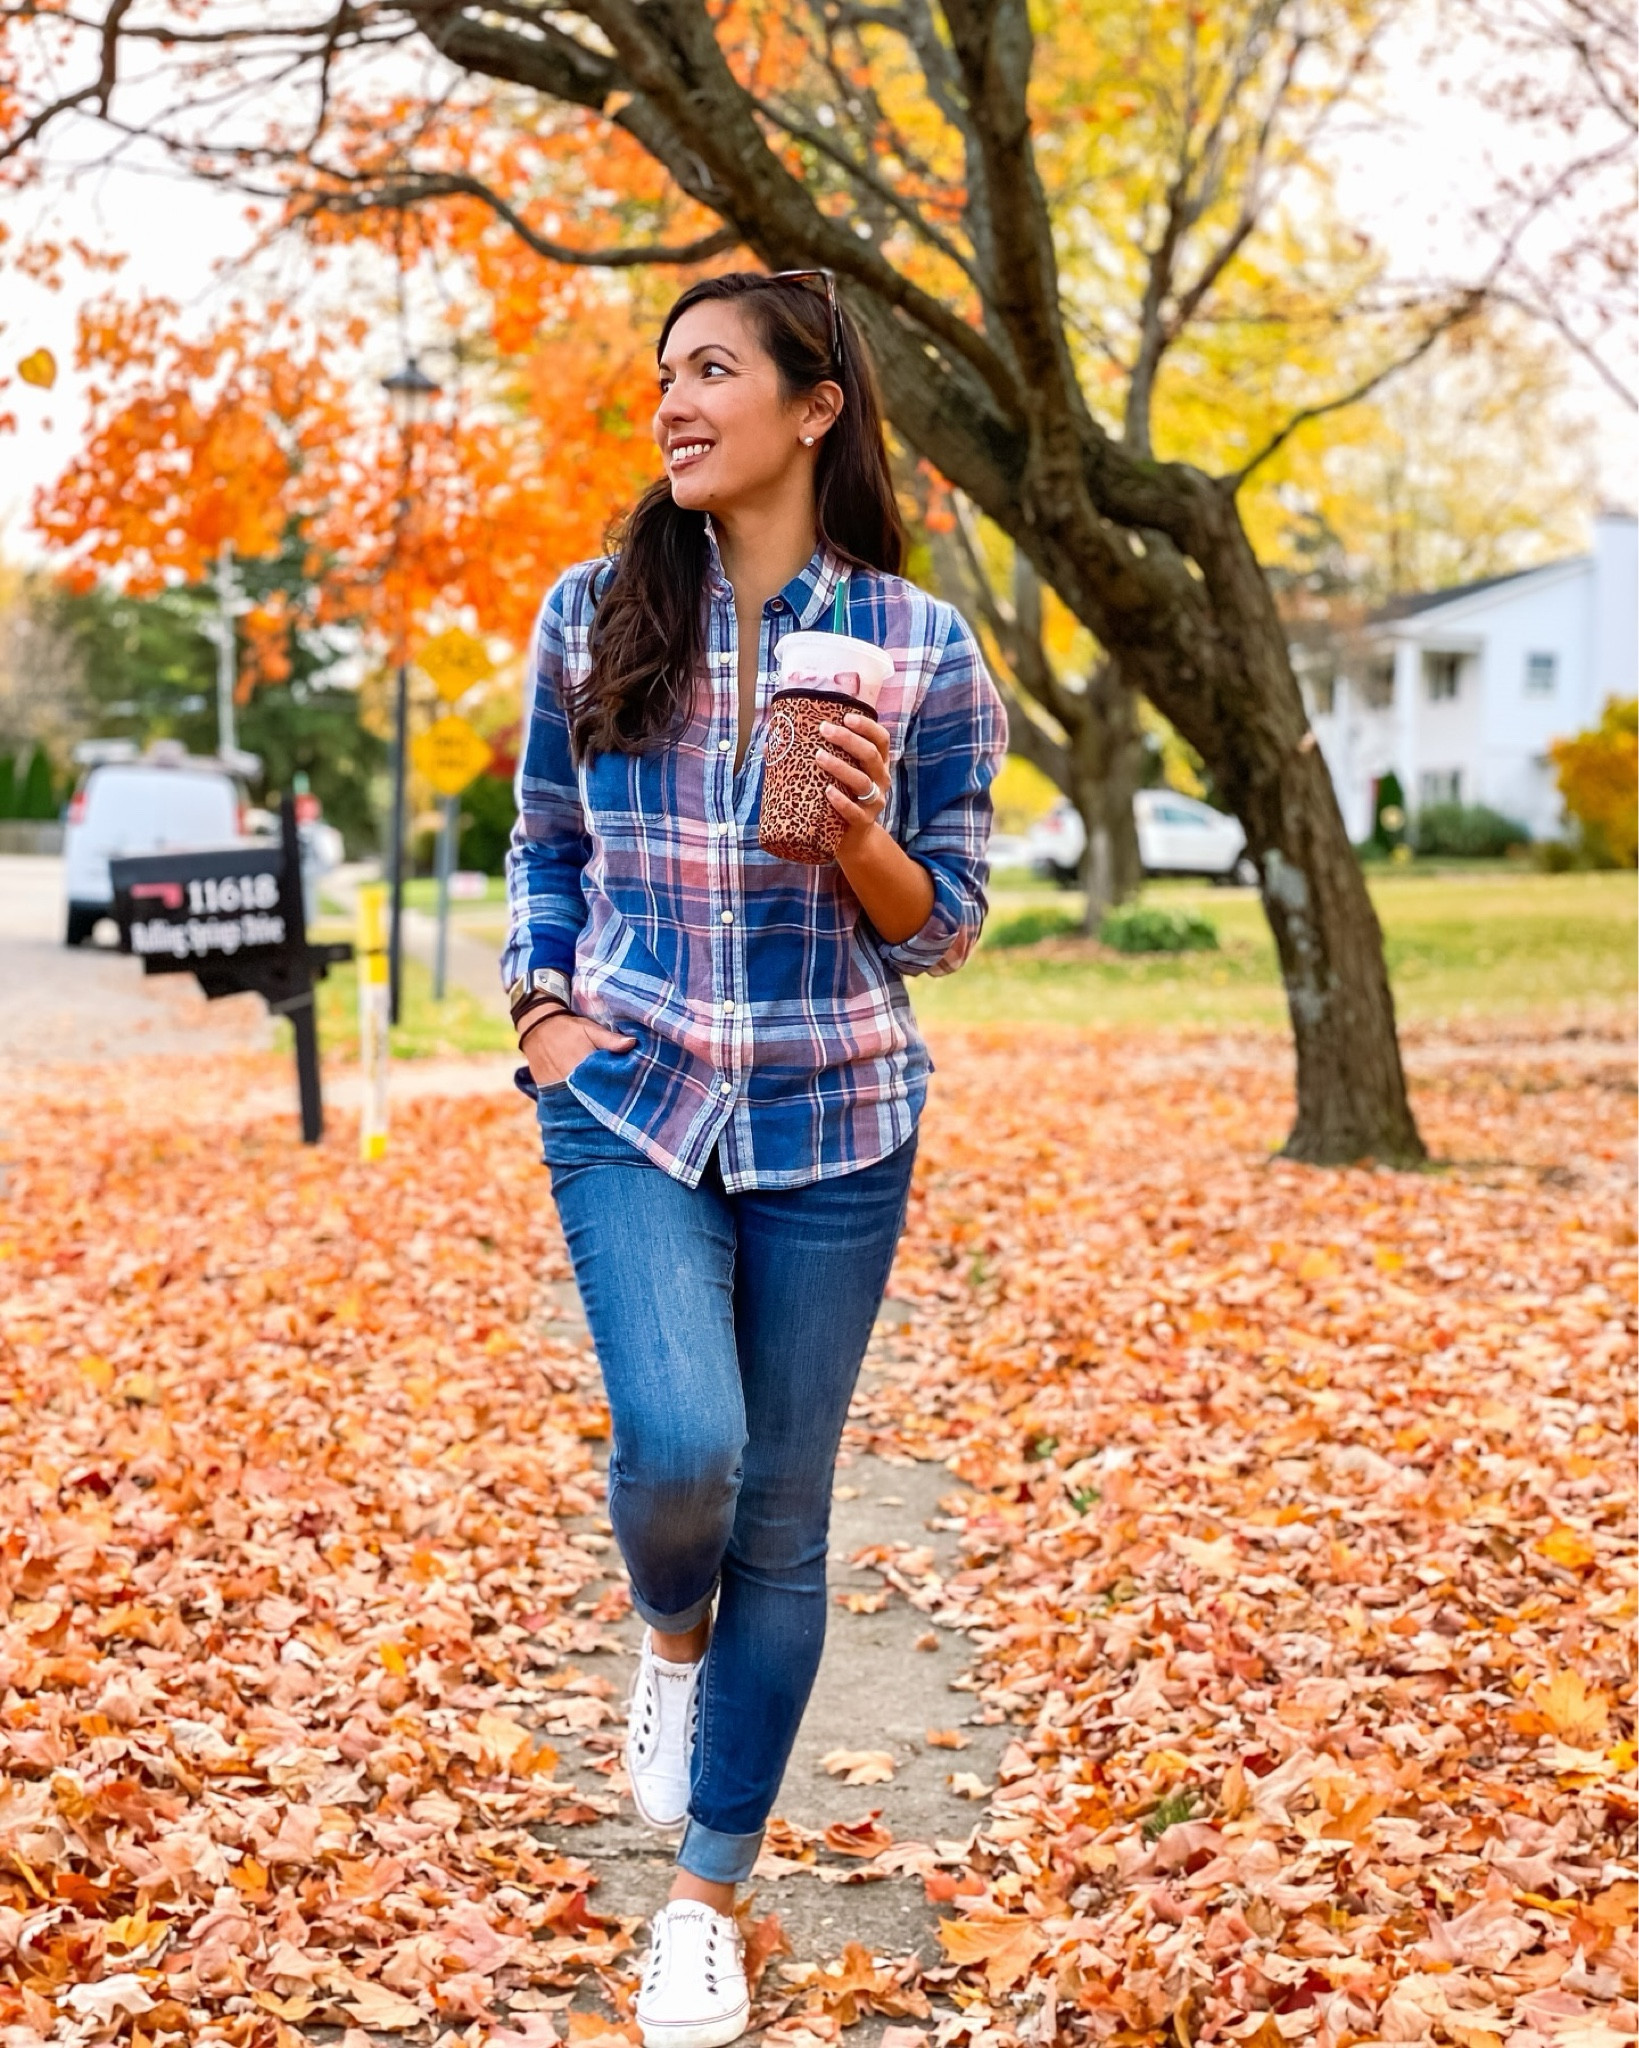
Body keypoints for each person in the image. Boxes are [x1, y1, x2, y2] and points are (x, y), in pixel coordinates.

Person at [502, 270, 1004, 2048]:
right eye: (664, 377)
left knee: (785, 1523)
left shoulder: (924, 648)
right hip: (629, 1091)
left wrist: (858, 834)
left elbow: (945, 921)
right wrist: (544, 1015)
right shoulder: (593, 609)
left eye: (713, 370)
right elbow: (545, 843)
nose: (674, 401)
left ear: (817, 409)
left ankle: (703, 1904)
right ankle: (666, 1633)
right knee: (685, 1449)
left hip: (835, 1112)